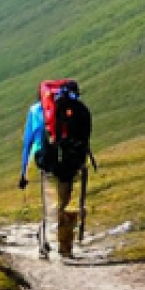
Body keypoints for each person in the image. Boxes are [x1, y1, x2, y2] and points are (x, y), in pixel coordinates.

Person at [19, 83, 88, 260]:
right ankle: (65, 248)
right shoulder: (78, 109)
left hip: (46, 163)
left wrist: (23, 172)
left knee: (47, 206)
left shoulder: (35, 111)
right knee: (64, 204)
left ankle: (44, 242)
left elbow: (27, 142)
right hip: (69, 164)